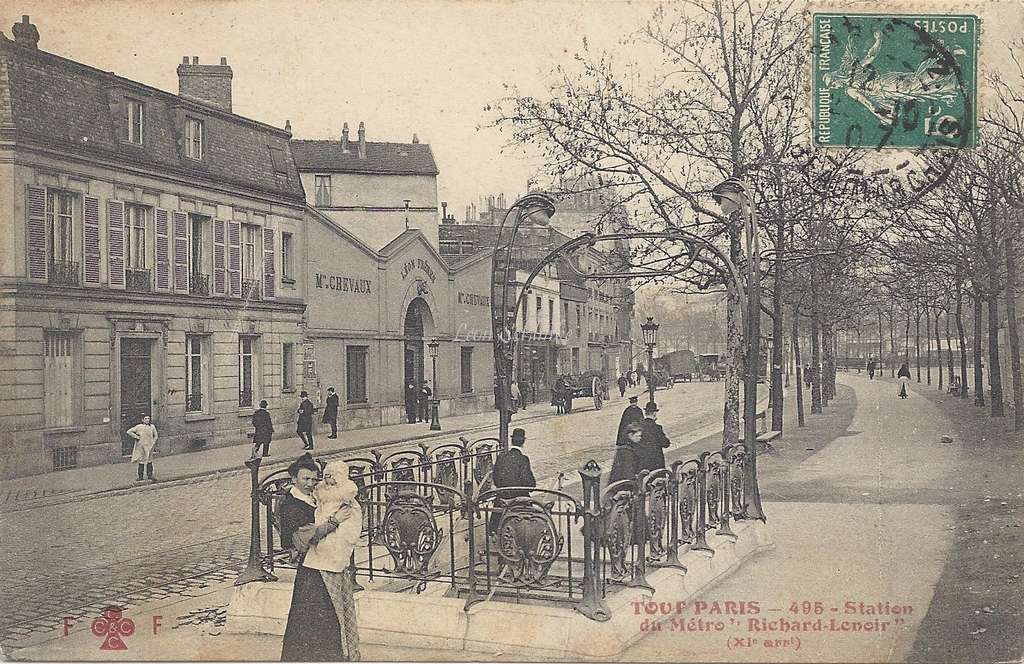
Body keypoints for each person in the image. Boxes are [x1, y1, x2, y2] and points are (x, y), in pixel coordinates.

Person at [279, 454, 361, 661]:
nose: (310, 483)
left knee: (330, 616)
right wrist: (334, 521)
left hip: (323, 563)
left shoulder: (315, 496)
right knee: (312, 619)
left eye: (314, 479)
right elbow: (305, 536)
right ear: (293, 479)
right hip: (311, 570)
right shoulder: (291, 505)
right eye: (305, 479)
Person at [488, 427, 536, 534]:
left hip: (502, 499)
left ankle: (495, 531)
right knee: (532, 519)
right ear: (523, 442)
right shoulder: (523, 459)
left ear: (511, 440)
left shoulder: (501, 457)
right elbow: (530, 484)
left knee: (495, 522)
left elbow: (495, 479)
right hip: (518, 500)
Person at [637, 402, 670, 473]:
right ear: (654, 413)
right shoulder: (657, 428)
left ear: (646, 413)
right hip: (656, 463)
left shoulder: (639, 426)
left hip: (642, 463)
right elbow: (666, 444)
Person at [127, 414, 158, 482]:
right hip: (141, 446)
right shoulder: (139, 427)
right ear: (142, 420)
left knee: (149, 460)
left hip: (149, 446)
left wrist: (153, 442)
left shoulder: (152, 427)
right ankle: (140, 476)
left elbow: (156, 436)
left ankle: (150, 475)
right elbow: (129, 431)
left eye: (148, 418)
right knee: (141, 461)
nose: (147, 420)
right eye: (146, 419)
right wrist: (137, 437)